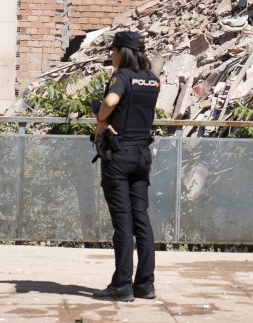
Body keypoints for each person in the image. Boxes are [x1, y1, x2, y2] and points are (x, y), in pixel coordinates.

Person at [93, 30, 162, 302]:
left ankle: (122, 285)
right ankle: (145, 284)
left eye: (113, 50)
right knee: (141, 221)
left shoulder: (121, 77)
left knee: (123, 224)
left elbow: (111, 101)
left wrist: (101, 120)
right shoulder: (152, 80)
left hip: (119, 158)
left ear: (123, 52)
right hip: (142, 155)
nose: (112, 55)